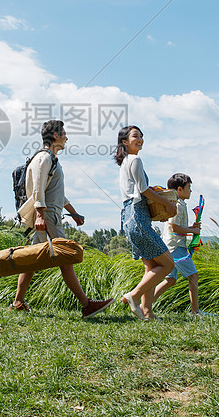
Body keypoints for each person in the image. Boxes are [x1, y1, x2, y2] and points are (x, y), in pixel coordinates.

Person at [10, 120, 114, 318]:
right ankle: (86, 305)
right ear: (56, 136)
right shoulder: (44, 158)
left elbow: (57, 193)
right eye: (64, 134)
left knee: (32, 260)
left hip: (51, 214)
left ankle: (18, 302)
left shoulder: (51, 160)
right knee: (65, 257)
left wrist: (73, 213)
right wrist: (40, 215)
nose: (67, 137)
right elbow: (39, 188)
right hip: (48, 216)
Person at [115, 125, 176, 321]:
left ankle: (147, 312)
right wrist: (167, 204)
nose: (140, 139)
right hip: (137, 215)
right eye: (135, 136)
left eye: (141, 136)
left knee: (151, 266)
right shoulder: (135, 159)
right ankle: (133, 296)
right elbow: (143, 190)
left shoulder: (125, 163)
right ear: (124, 141)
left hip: (128, 217)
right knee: (168, 265)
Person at [152, 173, 210, 316]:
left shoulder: (178, 204)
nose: (190, 191)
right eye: (189, 187)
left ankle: (144, 304)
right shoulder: (178, 205)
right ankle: (195, 312)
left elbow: (177, 226)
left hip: (169, 245)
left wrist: (191, 228)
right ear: (179, 189)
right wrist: (192, 230)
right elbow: (174, 227)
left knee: (170, 280)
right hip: (176, 246)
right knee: (193, 276)